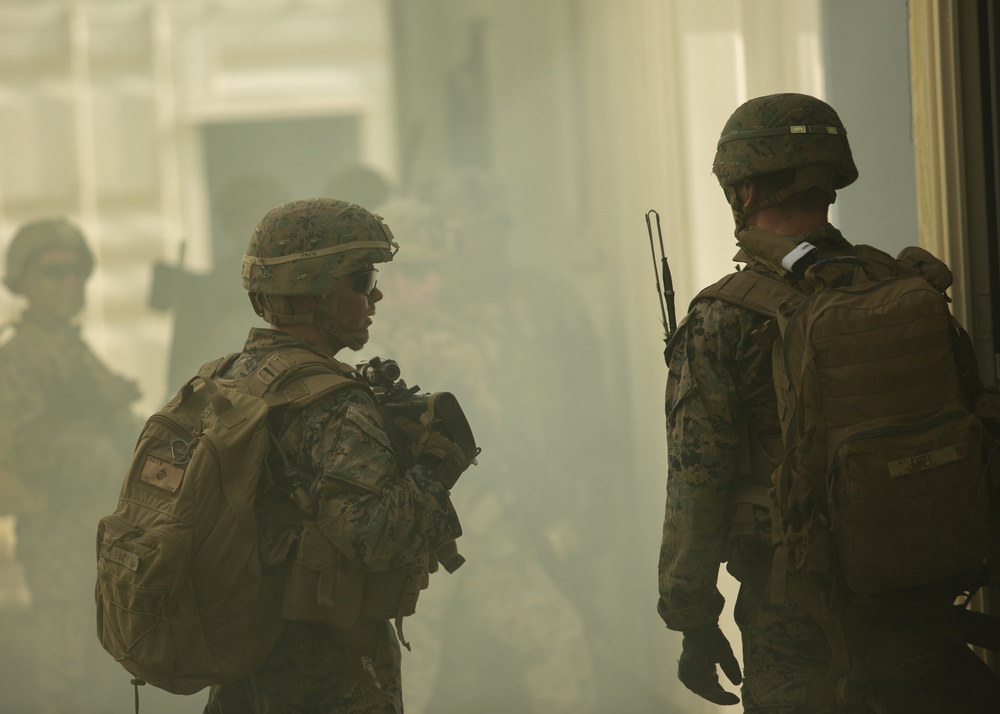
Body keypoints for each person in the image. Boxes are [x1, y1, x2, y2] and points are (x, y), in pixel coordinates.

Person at [657, 93, 1000, 713]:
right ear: (830, 183)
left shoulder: (723, 319)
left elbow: (695, 488)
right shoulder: (905, 288)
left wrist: (692, 620)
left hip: (800, 636)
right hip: (924, 615)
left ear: (746, 192)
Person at [202, 197, 468, 714]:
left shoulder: (225, 378)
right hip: (325, 675)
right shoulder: (337, 402)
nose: (378, 295)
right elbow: (374, 541)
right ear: (316, 293)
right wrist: (438, 466)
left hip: (242, 664)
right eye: (363, 281)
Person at [0, 217, 142, 713]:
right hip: (59, 536)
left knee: (106, 678)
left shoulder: (69, 347)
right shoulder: (21, 357)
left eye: (76, 272)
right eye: (53, 272)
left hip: (97, 533)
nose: (69, 283)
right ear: (24, 280)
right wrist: (105, 452)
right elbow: (24, 451)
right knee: (65, 680)